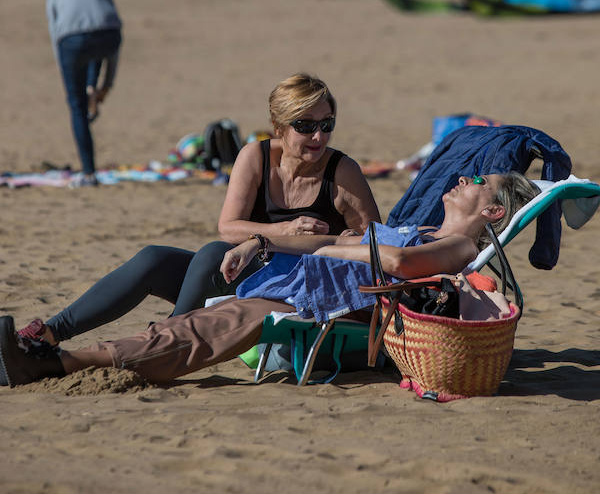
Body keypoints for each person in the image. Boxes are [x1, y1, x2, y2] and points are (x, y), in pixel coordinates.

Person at [0, 172, 540, 387]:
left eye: (478, 182)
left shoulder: (464, 246)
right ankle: (46, 339)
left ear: (494, 212)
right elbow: (339, 245)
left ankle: (51, 364)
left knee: (193, 333)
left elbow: (397, 267)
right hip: (290, 279)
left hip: (313, 306)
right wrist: (266, 241)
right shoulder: (416, 228)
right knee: (164, 263)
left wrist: (345, 244)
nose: (462, 178)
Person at [16, 73, 380, 348]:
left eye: (326, 125)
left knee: (210, 255)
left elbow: (380, 247)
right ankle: (50, 333)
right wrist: (282, 232)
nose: (319, 137)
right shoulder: (255, 156)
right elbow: (228, 226)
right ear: (279, 127)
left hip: (294, 292)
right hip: (244, 276)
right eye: (306, 126)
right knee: (154, 259)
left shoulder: (341, 172)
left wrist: (332, 240)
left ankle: (158, 343)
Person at [47, 0, 122, 187]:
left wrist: (67, 76)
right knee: (98, 47)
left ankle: (89, 173)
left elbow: (55, 38)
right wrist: (107, 84)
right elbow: (113, 29)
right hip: (109, 36)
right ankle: (93, 86)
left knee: (77, 106)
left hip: (72, 42)